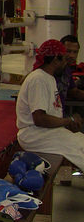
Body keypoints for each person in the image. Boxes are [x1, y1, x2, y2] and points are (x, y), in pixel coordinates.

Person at [16, 39, 84, 170]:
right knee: (78, 148)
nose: (66, 62)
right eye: (64, 58)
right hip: (35, 135)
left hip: (45, 132)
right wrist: (68, 121)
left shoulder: (49, 77)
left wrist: (68, 123)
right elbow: (39, 119)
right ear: (55, 60)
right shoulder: (39, 79)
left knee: (80, 142)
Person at [56, 35, 84, 117]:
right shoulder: (50, 67)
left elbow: (74, 92)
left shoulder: (67, 69)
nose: (72, 55)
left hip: (60, 114)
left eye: (75, 52)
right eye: (68, 51)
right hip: (46, 116)